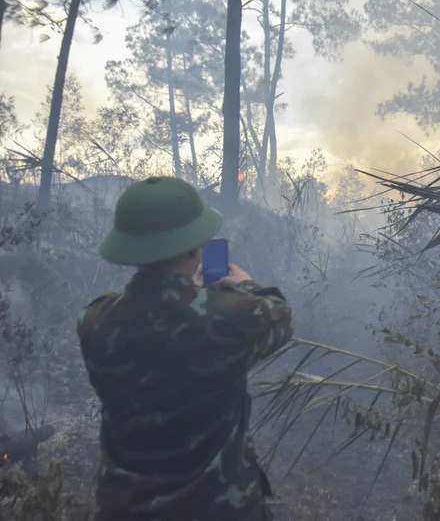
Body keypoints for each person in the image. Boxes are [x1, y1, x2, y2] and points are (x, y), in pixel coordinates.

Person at [78, 176, 293, 521]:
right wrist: (243, 285)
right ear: (195, 246)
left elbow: (145, 315)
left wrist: (188, 295)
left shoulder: (93, 321)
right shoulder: (230, 318)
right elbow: (280, 317)